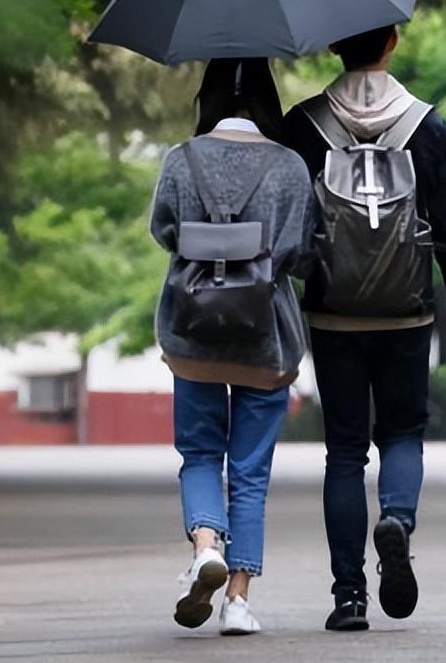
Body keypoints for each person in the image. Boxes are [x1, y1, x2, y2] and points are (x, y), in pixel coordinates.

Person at [281, 25, 446, 630]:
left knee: (344, 452)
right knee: (401, 433)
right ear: (392, 41)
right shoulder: (426, 123)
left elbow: (287, 223)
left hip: (334, 311)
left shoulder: (304, 124)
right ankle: (396, 518)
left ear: (334, 45)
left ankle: (348, 598)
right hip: (407, 310)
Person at [150, 57, 317, 636]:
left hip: (192, 333)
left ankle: (204, 546)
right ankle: (239, 603)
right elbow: (298, 251)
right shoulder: (291, 167)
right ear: (267, 103)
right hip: (265, 339)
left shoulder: (180, 160)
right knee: (249, 473)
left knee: (199, 455)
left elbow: (164, 233)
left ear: (207, 97)